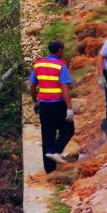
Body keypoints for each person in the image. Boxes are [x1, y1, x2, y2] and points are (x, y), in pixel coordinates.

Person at [29, 39, 75, 172]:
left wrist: (35, 101)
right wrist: (70, 108)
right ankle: (55, 151)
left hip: (44, 105)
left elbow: (32, 85)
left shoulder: (38, 64)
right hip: (58, 104)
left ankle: (50, 170)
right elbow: (64, 87)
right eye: (63, 49)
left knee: (47, 135)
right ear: (59, 50)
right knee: (68, 130)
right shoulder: (61, 65)